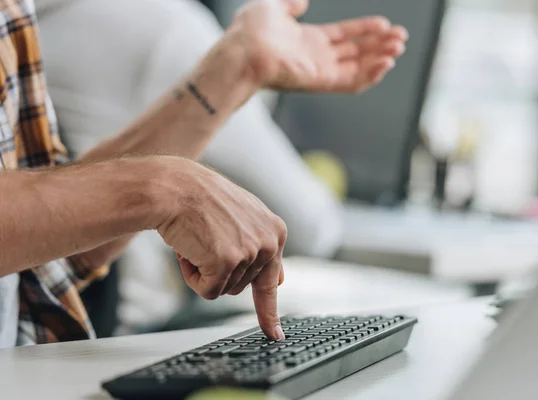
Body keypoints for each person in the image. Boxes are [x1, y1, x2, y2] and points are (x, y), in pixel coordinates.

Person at [0, 0, 408, 347]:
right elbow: (313, 228)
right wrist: (161, 188)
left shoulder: (22, 14)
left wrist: (237, 68)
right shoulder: (161, 24)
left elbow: (41, 255)